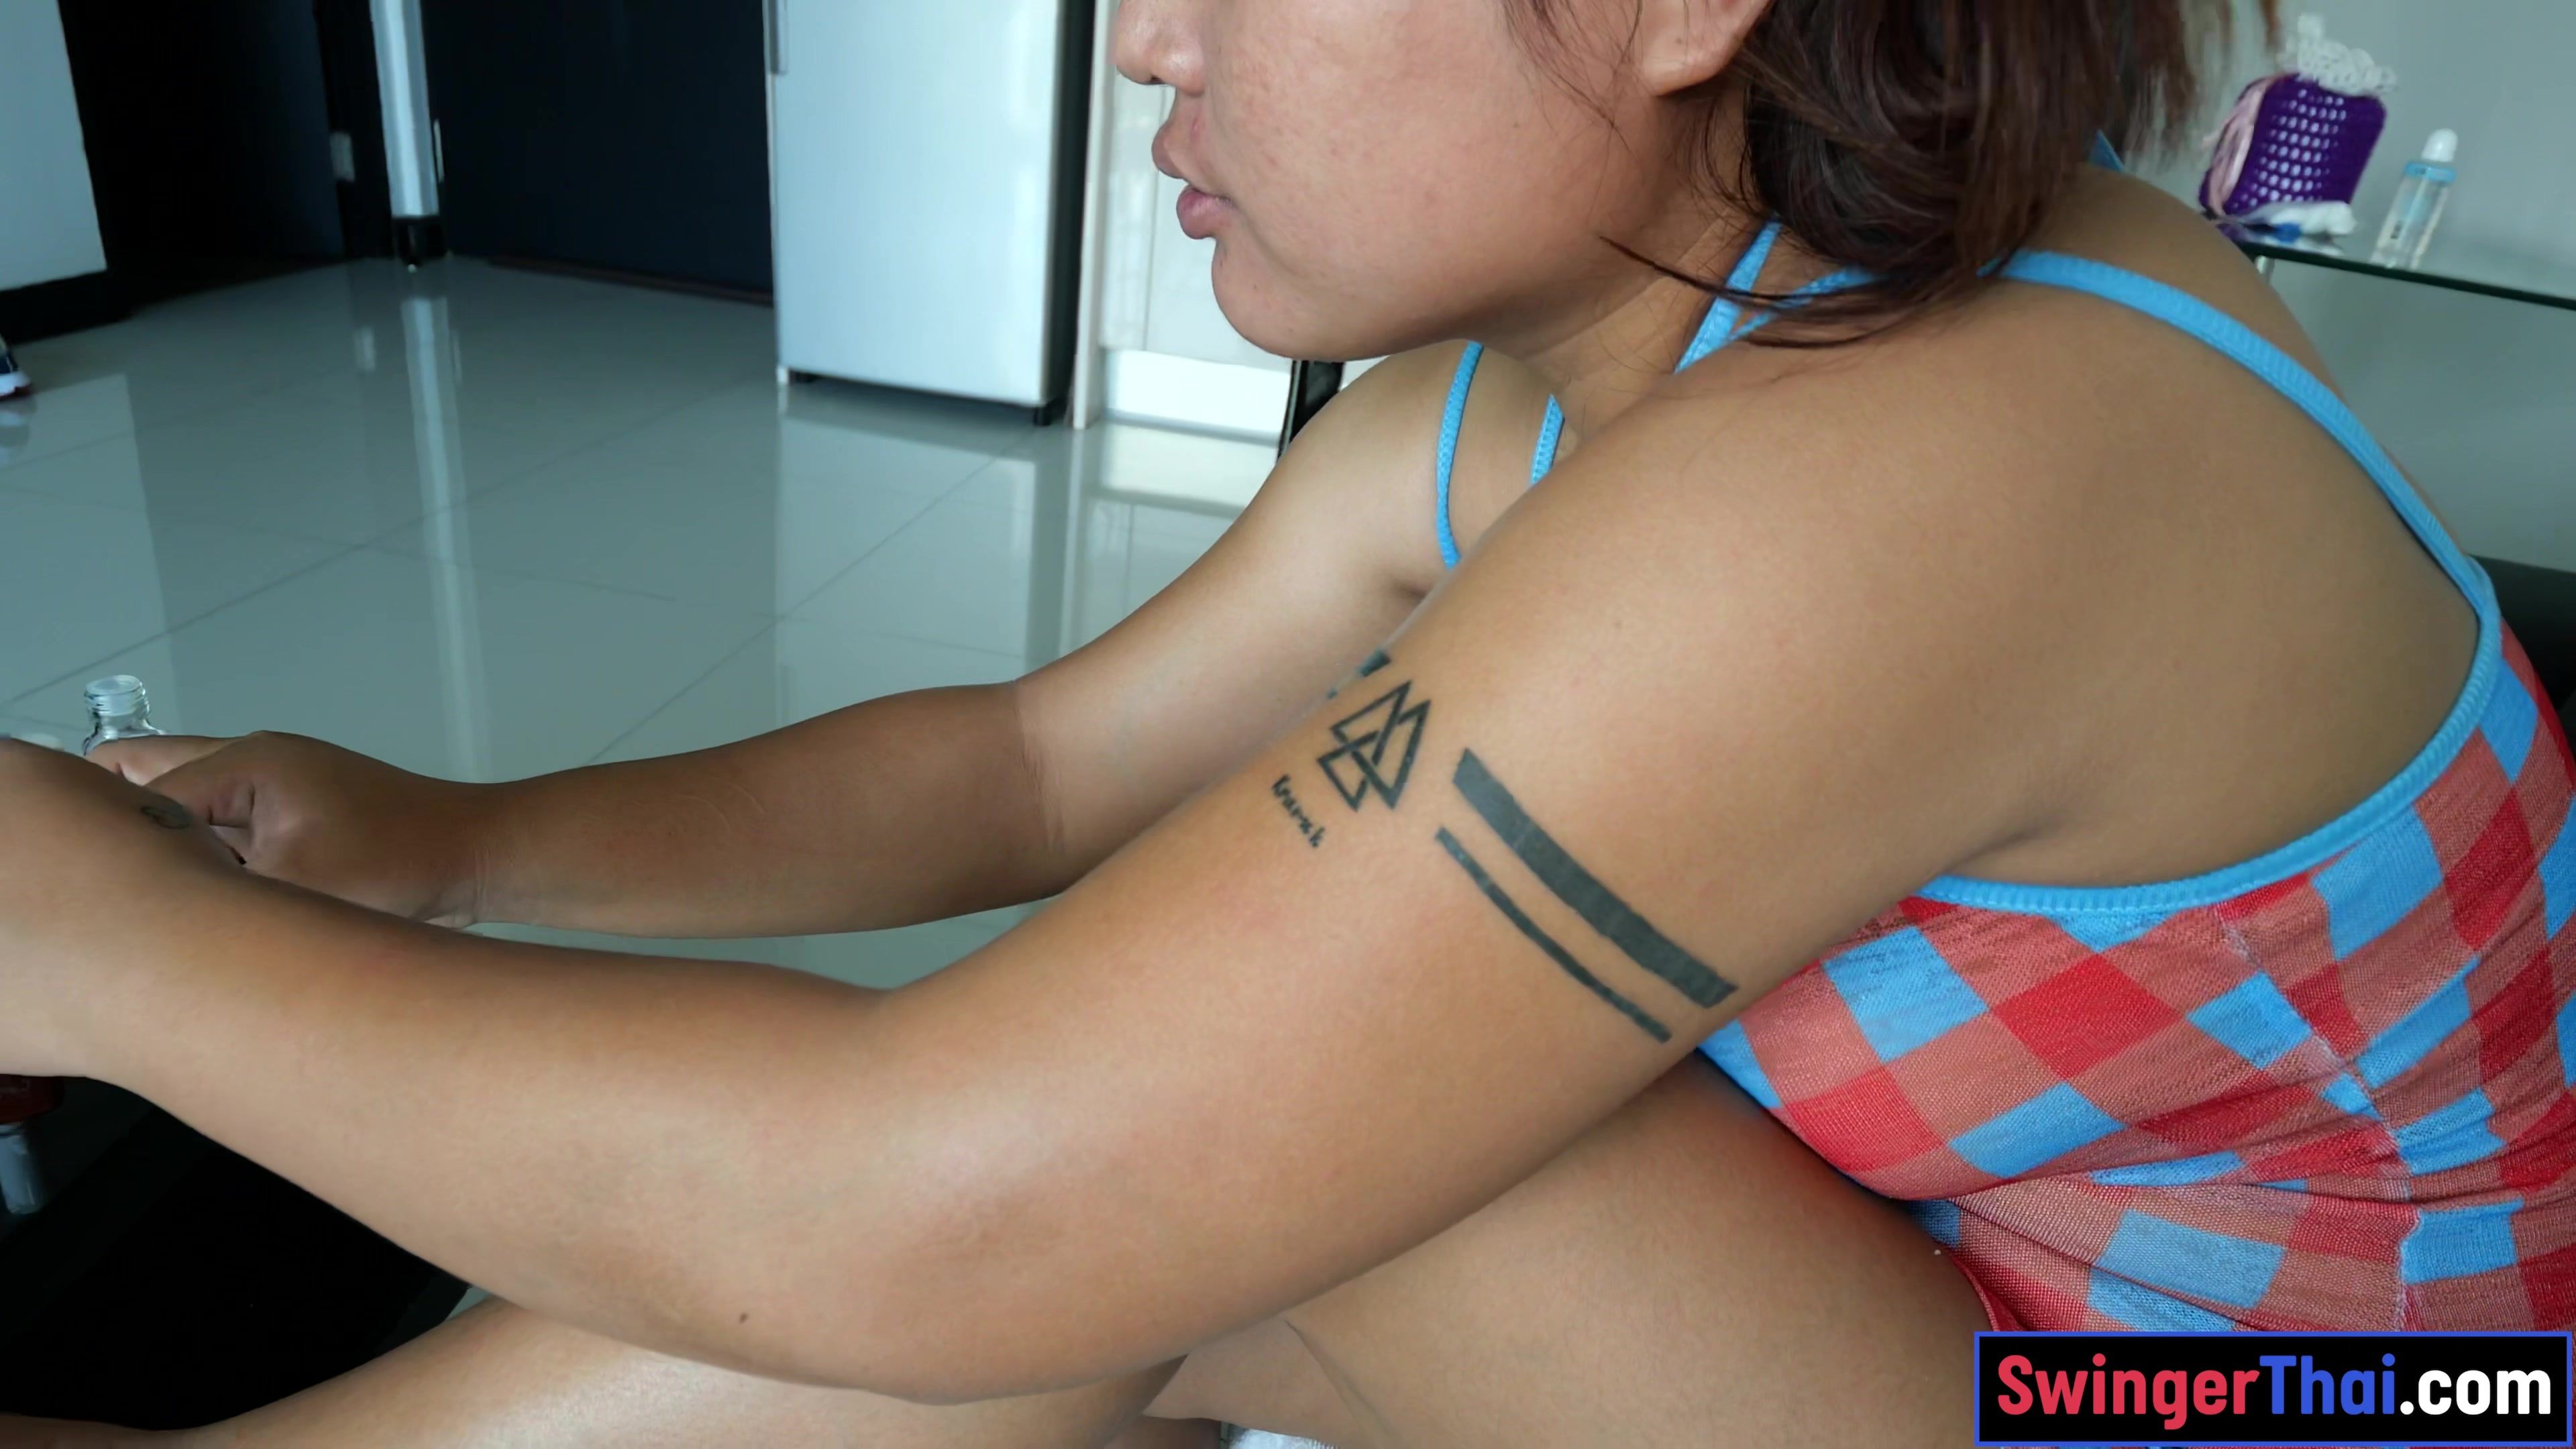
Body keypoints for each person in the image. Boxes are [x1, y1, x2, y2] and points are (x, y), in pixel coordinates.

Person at [4, 0, 2571, 1442]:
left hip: (2298, 1419)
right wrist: (446, 840)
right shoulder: (1592, 375)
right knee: (1226, 1142)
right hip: (1967, 1310)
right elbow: (1031, 766)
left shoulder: (1921, 474)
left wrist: (117, 953)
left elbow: (945, 1197)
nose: (1148, 41)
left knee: (1324, 1157)